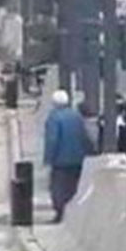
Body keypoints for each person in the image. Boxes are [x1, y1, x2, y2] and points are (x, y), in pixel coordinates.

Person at [44, 90, 94, 223]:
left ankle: (60, 212)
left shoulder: (54, 117)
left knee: (58, 187)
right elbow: (84, 136)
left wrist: (48, 158)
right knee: (72, 187)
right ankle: (70, 213)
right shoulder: (76, 116)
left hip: (60, 160)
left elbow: (52, 139)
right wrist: (90, 151)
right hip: (77, 159)